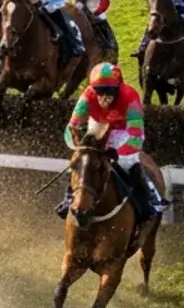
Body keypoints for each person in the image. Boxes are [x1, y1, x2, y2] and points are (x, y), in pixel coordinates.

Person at [57, 63, 163, 221]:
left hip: (125, 128)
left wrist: (116, 154)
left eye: (109, 91)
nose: (104, 96)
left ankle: (149, 200)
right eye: (99, 91)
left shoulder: (130, 96)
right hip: (99, 123)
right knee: (83, 160)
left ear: (118, 88)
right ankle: (68, 198)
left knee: (128, 160)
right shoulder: (87, 96)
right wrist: (80, 148)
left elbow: (136, 136)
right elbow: (72, 127)